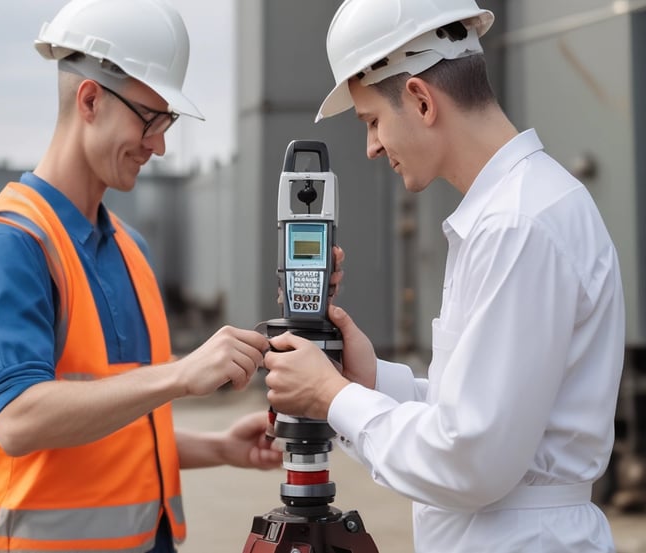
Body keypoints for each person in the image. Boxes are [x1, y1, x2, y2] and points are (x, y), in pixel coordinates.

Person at [263, 1, 626, 552]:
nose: (371, 147)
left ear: (421, 99)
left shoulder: (516, 225)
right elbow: (485, 413)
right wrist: (370, 381)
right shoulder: (514, 211)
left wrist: (331, 396)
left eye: (372, 122)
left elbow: (470, 460)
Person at [0, 1, 282, 552]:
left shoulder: (130, 247)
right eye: (150, 119)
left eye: (166, 122)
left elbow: (118, 423)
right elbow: (21, 420)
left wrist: (218, 446)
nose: (160, 144)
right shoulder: (11, 244)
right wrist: (181, 375)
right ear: (91, 99)